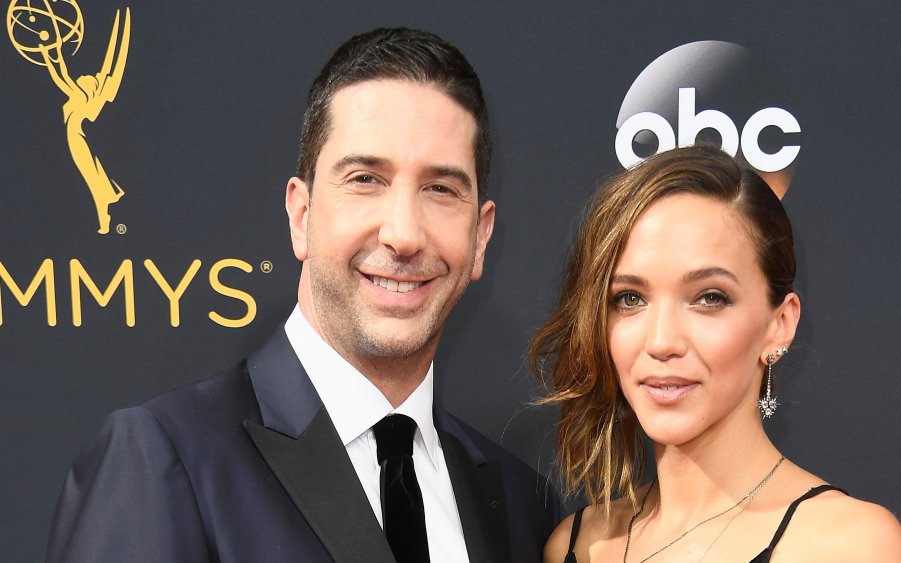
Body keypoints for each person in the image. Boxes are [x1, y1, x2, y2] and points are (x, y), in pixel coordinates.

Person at [46, 27, 558, 563]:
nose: (403, 234)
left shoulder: (524, 507)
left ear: (480, 237)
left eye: (441, 189)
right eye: (365, 179)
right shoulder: (162, 458)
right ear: (301, 214)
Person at [530, 145, 901, 562]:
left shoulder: (848, 547)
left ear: (779, 324)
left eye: (709, 298)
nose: (661, 342)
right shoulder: (577, 544)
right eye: (630, 299)